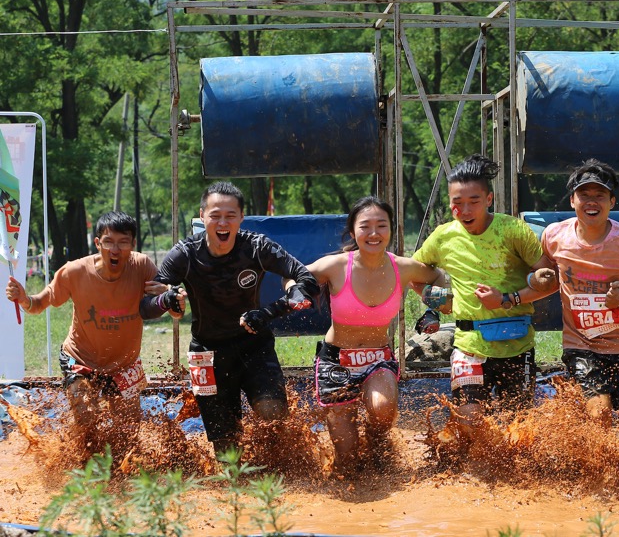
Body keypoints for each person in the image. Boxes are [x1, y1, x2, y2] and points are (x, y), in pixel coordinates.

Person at [141, 181, 319, 456]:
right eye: (215, 215)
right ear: (202, 216)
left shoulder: (257, 247)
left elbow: (306, 280)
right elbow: (146, 306)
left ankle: (282, 472)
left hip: (254, 345)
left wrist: (268, 312)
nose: (222, 223)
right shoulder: (185, 254)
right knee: (226, 447)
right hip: (206, 352)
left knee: (273, 414)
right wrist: (167, 299)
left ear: (241, 218)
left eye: (230, 216)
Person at [497, 159, 619, 426]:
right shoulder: (555, 236)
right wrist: (512, 297)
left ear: (612, 202)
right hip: (581, 345)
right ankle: (599, 466)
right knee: (599, 414)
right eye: (584, 195)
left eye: (600, 195)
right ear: (572, 201)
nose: (592, 202)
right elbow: (547, 282)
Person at [4, 211, 183, 436]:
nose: (115, 250)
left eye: (123, 242)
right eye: (109, 242)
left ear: (133, 244)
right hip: (80, 359)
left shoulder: (142, 266)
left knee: (128, 432)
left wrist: (174, 299)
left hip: (124, 365)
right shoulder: (75, 271)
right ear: (98, 243)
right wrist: (23, 299)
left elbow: (170, 310)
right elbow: (38, 304)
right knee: (87, 419)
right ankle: (82, 466)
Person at [305, 196, 449, 472]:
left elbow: (437, 276)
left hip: (377, 359)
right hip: (337, 362)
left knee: (383, 411)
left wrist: (432, 310)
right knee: (346, 458)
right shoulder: (335, 266)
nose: (374, 233)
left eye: (381, 225)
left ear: (392, 230)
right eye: (365, 226)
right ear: (353, 232)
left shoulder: (404, 268)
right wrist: (294, 291)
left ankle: (376, 443)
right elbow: (294, 275)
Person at [412, 154, 546, 442]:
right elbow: (415, 273)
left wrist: (507, 299)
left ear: (489, 199)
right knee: (468, 422)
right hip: (468, 345)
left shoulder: (513, 230)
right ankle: (474, 476)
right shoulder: (443, 237)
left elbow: (551, 279)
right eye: (457, 203)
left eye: (473, 201)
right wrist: (435, 301)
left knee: (519, 430)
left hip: (516, 343)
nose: (465, 209)